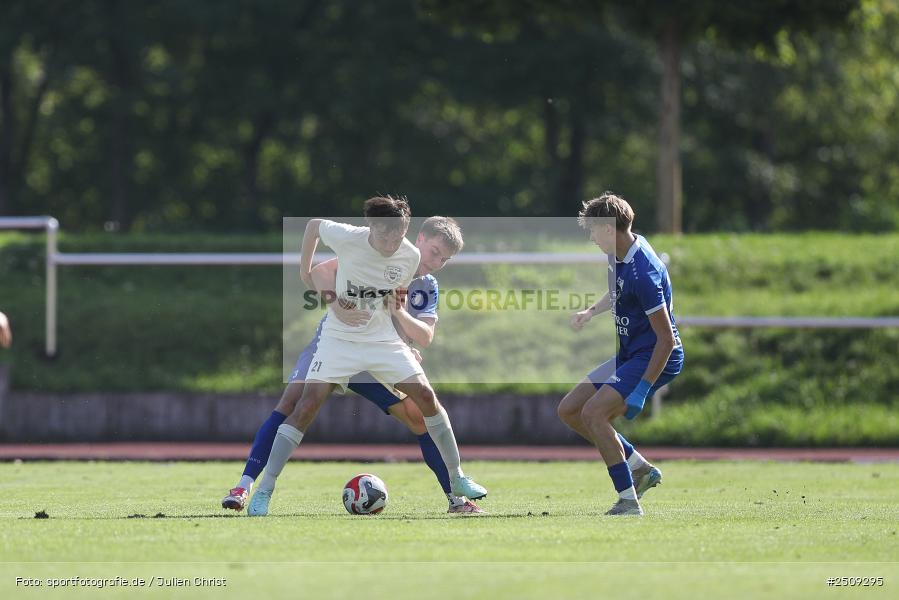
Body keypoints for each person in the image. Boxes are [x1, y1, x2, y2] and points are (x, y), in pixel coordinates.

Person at [221, 216, 482, 514]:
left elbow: (424, 336)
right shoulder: (381, 253)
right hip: (336, 345)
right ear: (419, 238)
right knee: (293, 404)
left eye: (444, 259)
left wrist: (402, 326)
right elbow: (321, 271)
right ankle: (245, 486)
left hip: (377, 357)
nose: (436, 263)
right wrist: (335, 304)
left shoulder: (427, 285)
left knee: (419, 417)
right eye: (434, 252)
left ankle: (456, 499)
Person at [558, 192, 684, 516]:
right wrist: (591, 311)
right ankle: (639, 467)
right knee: (570, 409)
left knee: (593, 414)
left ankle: (628, 500)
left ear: (608, 228)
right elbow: (618, 292)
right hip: (631, 353)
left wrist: (642, 389)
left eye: (594, 230)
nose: (592, 238)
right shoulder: (619, 253)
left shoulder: (644, 272)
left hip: (654, 355)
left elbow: (667, 340)